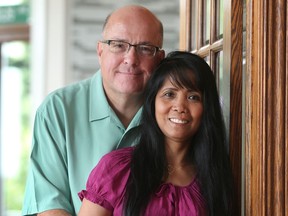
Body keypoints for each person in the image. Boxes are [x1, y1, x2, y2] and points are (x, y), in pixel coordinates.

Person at [22, 5, 165, 216]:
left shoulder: (173, 115)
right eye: (118, 45)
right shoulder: (57, 111)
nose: (131, 59)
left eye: (145, 48)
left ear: (160, 59)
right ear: (100, 51)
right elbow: (50, 207)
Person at [78, 51, 234, 216]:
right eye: (169, 94)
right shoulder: (117, 169)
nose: (179, 106)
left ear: (206, 108)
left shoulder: (214, 179)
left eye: (193, 97)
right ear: (152, 103)